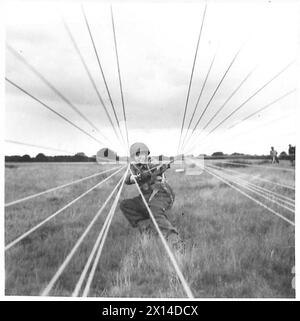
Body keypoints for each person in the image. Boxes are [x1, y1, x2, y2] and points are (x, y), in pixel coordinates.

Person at [119, 142, 184, 252]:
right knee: (125, 205)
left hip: (161, 194)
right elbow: (127, 179)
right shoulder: (133, 167)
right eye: (138, 155)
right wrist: (136, 177)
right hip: (146, 197)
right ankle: (147, 230)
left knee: (154, 210)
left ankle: (176, 243)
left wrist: (159, 168)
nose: (141, 157)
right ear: (133, 156)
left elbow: (158, 168)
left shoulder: (153, 163)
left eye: (143, 154)